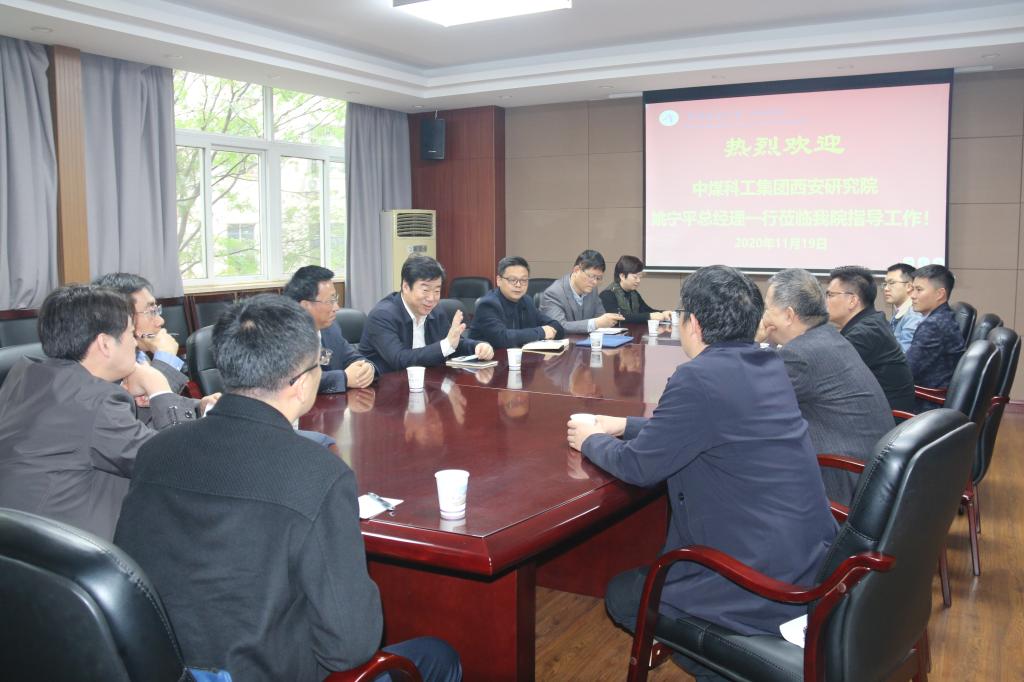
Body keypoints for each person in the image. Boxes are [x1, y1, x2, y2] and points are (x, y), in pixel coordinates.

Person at [114, 295, 461, 682]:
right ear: (302, 382)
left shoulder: (156, 451)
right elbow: (351, 647)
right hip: (265, 671)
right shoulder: (318, 473)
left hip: (159, 665)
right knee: (439, 656)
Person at [566, 266, 836, 681]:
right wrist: (624, 425)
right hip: (805, 561)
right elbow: (710, 427)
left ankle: (727, 667)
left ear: (692, 323)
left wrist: (590, 440)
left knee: (623, 595)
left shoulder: (698, 376)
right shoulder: (766, 363)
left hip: (753, 580)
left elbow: (639, 466)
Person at [0, 285, 208, 540]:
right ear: (105, 344)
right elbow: (178, 463)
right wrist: (159, 387)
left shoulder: (28, 375)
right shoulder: (92, 401)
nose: (136, 342)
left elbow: (113, 435)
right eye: (130, 334)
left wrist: (196, 407)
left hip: (20, 542)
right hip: (67, 551)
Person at [759, 268, 894, 505]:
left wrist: (751, 342)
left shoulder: (800, 355)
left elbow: (748, 398)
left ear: (789, 315)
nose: (763, 317)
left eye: (767, 309)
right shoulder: (827, 337)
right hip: (871, 472)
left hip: (841, 478)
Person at [359, 255, 493, 374]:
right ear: (406, 287)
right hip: (383, 389)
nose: (431, 298)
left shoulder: (435, 311)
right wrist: (446, 345)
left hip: (426, 385)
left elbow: (453, 344)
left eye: (437, 291)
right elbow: (399, 359)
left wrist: (477, 346)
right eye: (425, 290)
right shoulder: (382, 316)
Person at [826, 265, 915, 412]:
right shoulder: (871, 322)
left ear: (852, 300)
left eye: (830, 295)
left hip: (885, 417)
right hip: (874, 409)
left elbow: (826, 374)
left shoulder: (865, 333)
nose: (826, 301)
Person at [283, 265, 376, 392]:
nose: (336, 307)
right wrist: (344, 378)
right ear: (305, 305)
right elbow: (295, 380)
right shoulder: (283, 335)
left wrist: (367, 368)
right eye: (330, 301)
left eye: (335, 299)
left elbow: (352, 357)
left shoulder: (331, 328)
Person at [92, 272, 189, 393]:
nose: (161, 321)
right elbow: (155, 401)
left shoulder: (139, 356)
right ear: (119, 319)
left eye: (156, 310)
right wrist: (166, 360)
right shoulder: (108, 370)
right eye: (150, 312)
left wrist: (200, 403)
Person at [468, 256, 565, 348]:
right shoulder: (488, 305)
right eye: (512, 280)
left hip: (519, 357)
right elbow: (502, 338)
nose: (518, 285)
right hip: (488, 358)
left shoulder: (527, 301)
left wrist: (549, 331)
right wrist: (542, 332)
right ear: (499, 280)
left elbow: (557, 326)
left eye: (523, 280)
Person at [906, 264, 965, 393]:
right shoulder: (943, 316)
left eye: (919, 290)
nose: (912, 295)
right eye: (913, 289)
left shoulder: (934, 325)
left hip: (926, 399)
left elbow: (906, 372)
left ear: (940, 294)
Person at [539, 249, 624, 334]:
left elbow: (600, 316)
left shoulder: (592, 290)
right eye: (591, 276)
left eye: (598, 278)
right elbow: (558, 327)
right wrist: (595, 323)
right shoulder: (554, 293)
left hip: (587, 341)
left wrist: (608, 320)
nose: (595, 282)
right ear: (576, 270)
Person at [599, 255, 672, 324]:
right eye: (635, 277)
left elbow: (646, 310)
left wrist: (663, 313)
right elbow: (620, 317)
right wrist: (649, 316)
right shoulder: (607, 295)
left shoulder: (633, 293)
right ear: (622, 276)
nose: (638, 280)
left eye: (640, 277)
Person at [883, 262, 924, 352]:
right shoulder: (901, 311)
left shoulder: (914, 315)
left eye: (891, 283)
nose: (886, 288)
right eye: (885, 284)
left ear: (909, 286)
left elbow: (905, 354)